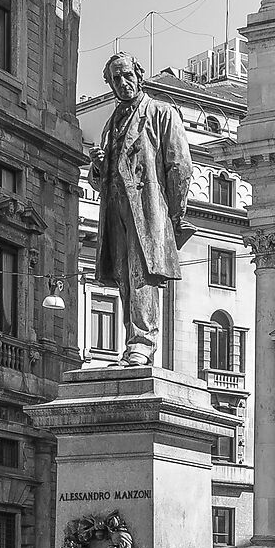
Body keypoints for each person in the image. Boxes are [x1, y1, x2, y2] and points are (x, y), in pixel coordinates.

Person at [89, 51, 194, 368]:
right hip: (116, 209)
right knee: (123, 277)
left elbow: (180, 167)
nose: (122, 83)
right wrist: (98, 167)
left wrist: (174, 217)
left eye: (126, 75)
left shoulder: (161, 113)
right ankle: (130, 344)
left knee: (141, 275)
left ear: (139, 74)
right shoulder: (111, 124)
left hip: (149, 210)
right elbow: (103, 178)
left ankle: (142, 344)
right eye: (115, 79)